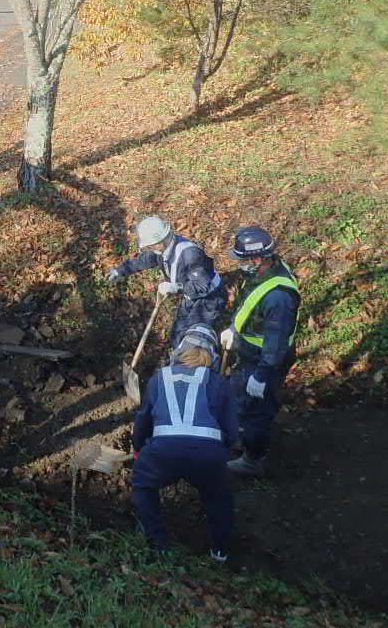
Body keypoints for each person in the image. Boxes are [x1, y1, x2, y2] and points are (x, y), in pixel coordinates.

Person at [132, 324, 237, 561]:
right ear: (213, 356)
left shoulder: (159, 378)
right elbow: (230, 432)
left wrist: (138, 447)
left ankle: (157, 543)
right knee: (219, 497)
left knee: (142, 486)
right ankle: (219, 550)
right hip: (208, 456)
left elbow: (143, 420)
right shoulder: (219, 383)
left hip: (162, 453)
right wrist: (223, 452)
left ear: (178, 350)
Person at [219, 226, 299, 478]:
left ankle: (252, 460)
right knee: (235, 398)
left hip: (264, 363)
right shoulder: (264, 273)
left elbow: (275, 344)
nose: (240, 265)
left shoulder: (279, 297)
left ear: (257, 258)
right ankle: (237, 438)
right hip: (249, 354)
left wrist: (262, 376)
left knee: (255, 411)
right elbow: (250, 303)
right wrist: (234, 329)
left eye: (243, 260)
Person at [108, 216, 226, 351]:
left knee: (195, 340)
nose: (149, 249)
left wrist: (177, 287)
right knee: (178, 334)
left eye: (150, 246)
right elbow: (144, 261)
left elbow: (202, 286)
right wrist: (120, 271)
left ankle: (198, 364)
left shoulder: (190, 254)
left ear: (159, 242)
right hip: (190, 297)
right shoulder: (162, 250)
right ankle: (176, 357)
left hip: (209, 300)